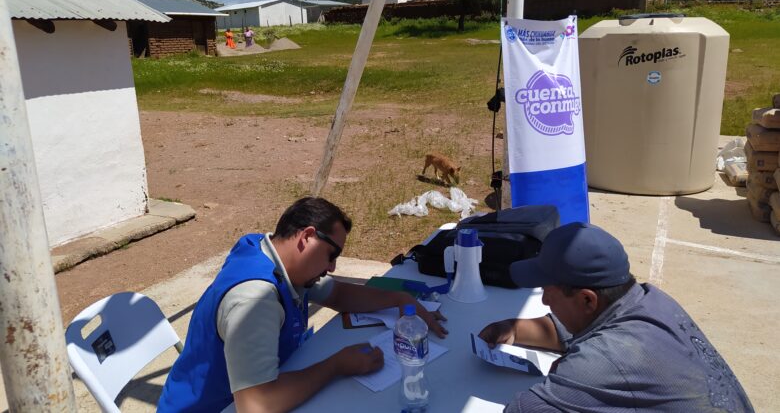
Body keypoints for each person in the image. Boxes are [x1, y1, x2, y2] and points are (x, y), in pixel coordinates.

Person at [158, 197, 447, 413]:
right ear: (307, 237)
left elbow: (338, 295)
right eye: (331, 255)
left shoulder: (273, 254)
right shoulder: (255, 300)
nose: (332, 267)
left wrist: (399, 299)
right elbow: (256, 405)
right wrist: (336, 365)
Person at [479, 222, 753, 413]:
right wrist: (513, 328)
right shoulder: (652, 302)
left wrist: (565, 376)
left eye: (548, 291)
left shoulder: (605, 359)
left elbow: (520, 409)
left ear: (587, 299)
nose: (544, 301)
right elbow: (569, 330)